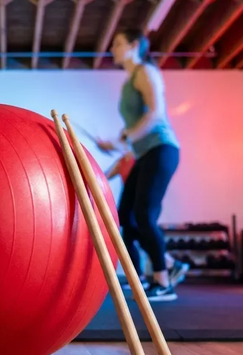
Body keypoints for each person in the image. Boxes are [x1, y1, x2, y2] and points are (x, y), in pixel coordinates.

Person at [96, 28, 186, 302]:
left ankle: (163, 282)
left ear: (135, 45)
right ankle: (162, 267)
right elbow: (134, 126)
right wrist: (117, 141)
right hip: (144, 153)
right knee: (125, 217)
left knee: (145, 216)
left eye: (118, 43)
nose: (112, 48)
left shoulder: (146, 72)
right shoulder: (128, 82)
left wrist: (123, 139)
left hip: (162, 149)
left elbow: (156, 114)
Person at [105, 151, 190, 292]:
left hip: (142, 201)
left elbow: (118, 144)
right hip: (133, 202)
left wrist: (110, 144)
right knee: (128, 236)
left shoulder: (136, 156)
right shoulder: (123, 162)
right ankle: (144, 274)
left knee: (141, 229)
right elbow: (105, 175)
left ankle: (166, 268)